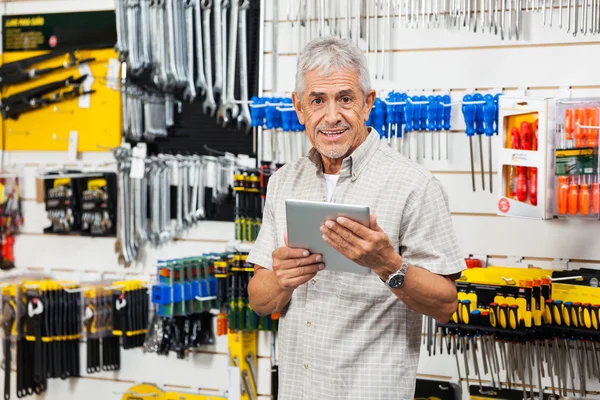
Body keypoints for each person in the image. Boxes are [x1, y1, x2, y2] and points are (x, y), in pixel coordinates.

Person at [247, 36, 466, 400]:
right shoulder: (284, 181)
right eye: (318, 100)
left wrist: (389, 265)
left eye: (345, 99)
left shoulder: (415, 185)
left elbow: (445, 304)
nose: (331, 115)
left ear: (367, 104)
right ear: (299, 108)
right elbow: (259, 300)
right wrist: (282, 280)